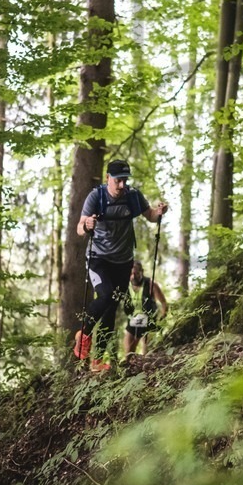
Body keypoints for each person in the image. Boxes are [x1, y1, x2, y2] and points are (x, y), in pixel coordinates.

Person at [75, 159, 167, 372]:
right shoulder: (96, 197)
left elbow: (151, 216)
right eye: (118, 180)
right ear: (108, 178)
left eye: (125, 180)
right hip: (98, 259)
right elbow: (79, 228)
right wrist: (87, 224)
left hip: (123, 261)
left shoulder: (133, 196)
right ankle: (84, 334)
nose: (122, 185)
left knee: (111, 307)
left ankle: (97, 361)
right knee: (105, 295)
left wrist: (159, 211)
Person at [122, 260, 168, 357]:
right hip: (133, 318)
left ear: (141, 272)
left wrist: (163, 317)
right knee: (128, 347)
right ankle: (128, 363)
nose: (133, 276)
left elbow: (163, 302)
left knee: (147, 351)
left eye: (136, 273)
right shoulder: (125, 285)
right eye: (131, 274)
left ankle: (142, 362)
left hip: (149, 318)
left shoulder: (150, 284)